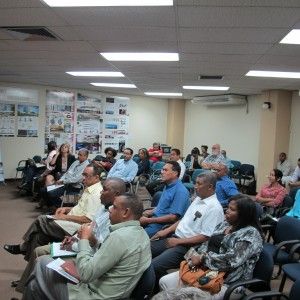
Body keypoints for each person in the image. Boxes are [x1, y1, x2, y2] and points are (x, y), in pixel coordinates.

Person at [22, 193, 152, 300]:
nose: (110, 209)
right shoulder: (141, 234)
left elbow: (85, 274)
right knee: (36, 281)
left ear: (126, 212)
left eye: (114, 207)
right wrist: (93, 241)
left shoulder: (119, 237)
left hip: (92, 295)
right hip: (106, 289)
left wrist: (84, 239)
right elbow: (111, 255)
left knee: (40, 265)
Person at [14, 177, 126, 293]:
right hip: (79, 241)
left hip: (84, 251)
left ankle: (28, 278)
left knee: (41, 223)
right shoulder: (103, 207)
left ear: (116, 194)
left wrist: (76, 242)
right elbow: (90, 227)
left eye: (104, 190)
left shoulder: (115, 217)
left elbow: (97, 247)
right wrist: (74, 238)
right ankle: (26, 286)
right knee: (38, 240)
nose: (101, 193)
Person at [159, 194, 263, 300]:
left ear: (243, 215)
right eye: (228, 207)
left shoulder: (250, 235)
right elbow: (207, 243)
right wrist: (195, 256)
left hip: (227, 281)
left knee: (186, 296)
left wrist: (202, 259)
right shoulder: (225, 224)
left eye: (232, 209)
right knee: (165, 281)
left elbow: (231, 261)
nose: (226, 210)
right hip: (205, 271)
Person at [3, 163, 103, 262]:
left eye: (86, 175)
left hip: (76, 227)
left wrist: (64, 217)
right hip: (70, 220)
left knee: (42, 219)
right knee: (38, 237)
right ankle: (31, 271)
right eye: (83, 174)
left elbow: (88, 219)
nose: (83, 178)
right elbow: (81, 208)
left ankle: (23, 247)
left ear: (96, 177)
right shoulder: (89, 188)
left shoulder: (96, 194)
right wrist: (66, 209)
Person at [150, 172, 224, 285]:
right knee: (145, 250)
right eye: (195, 183)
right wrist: (166, 230)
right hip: (175, 238)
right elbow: (184, 219)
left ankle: (160, 290)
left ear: (210, 187)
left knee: (154, 266)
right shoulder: (198, 199)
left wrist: (177, 242)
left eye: (199, 184)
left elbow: (205, 237)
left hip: (187, 247)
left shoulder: (214, 208)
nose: (195, 186)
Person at [140, 161, 190, 237]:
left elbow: (173, 218)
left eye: (165, 170)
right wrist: (149, 212)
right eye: (162, 170)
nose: (161, 172)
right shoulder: (168, 185)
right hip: (155, 219)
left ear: (175, 173)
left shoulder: (180, 191)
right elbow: (163, 208)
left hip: (162, 226)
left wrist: (148, 220)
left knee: (136, 237)